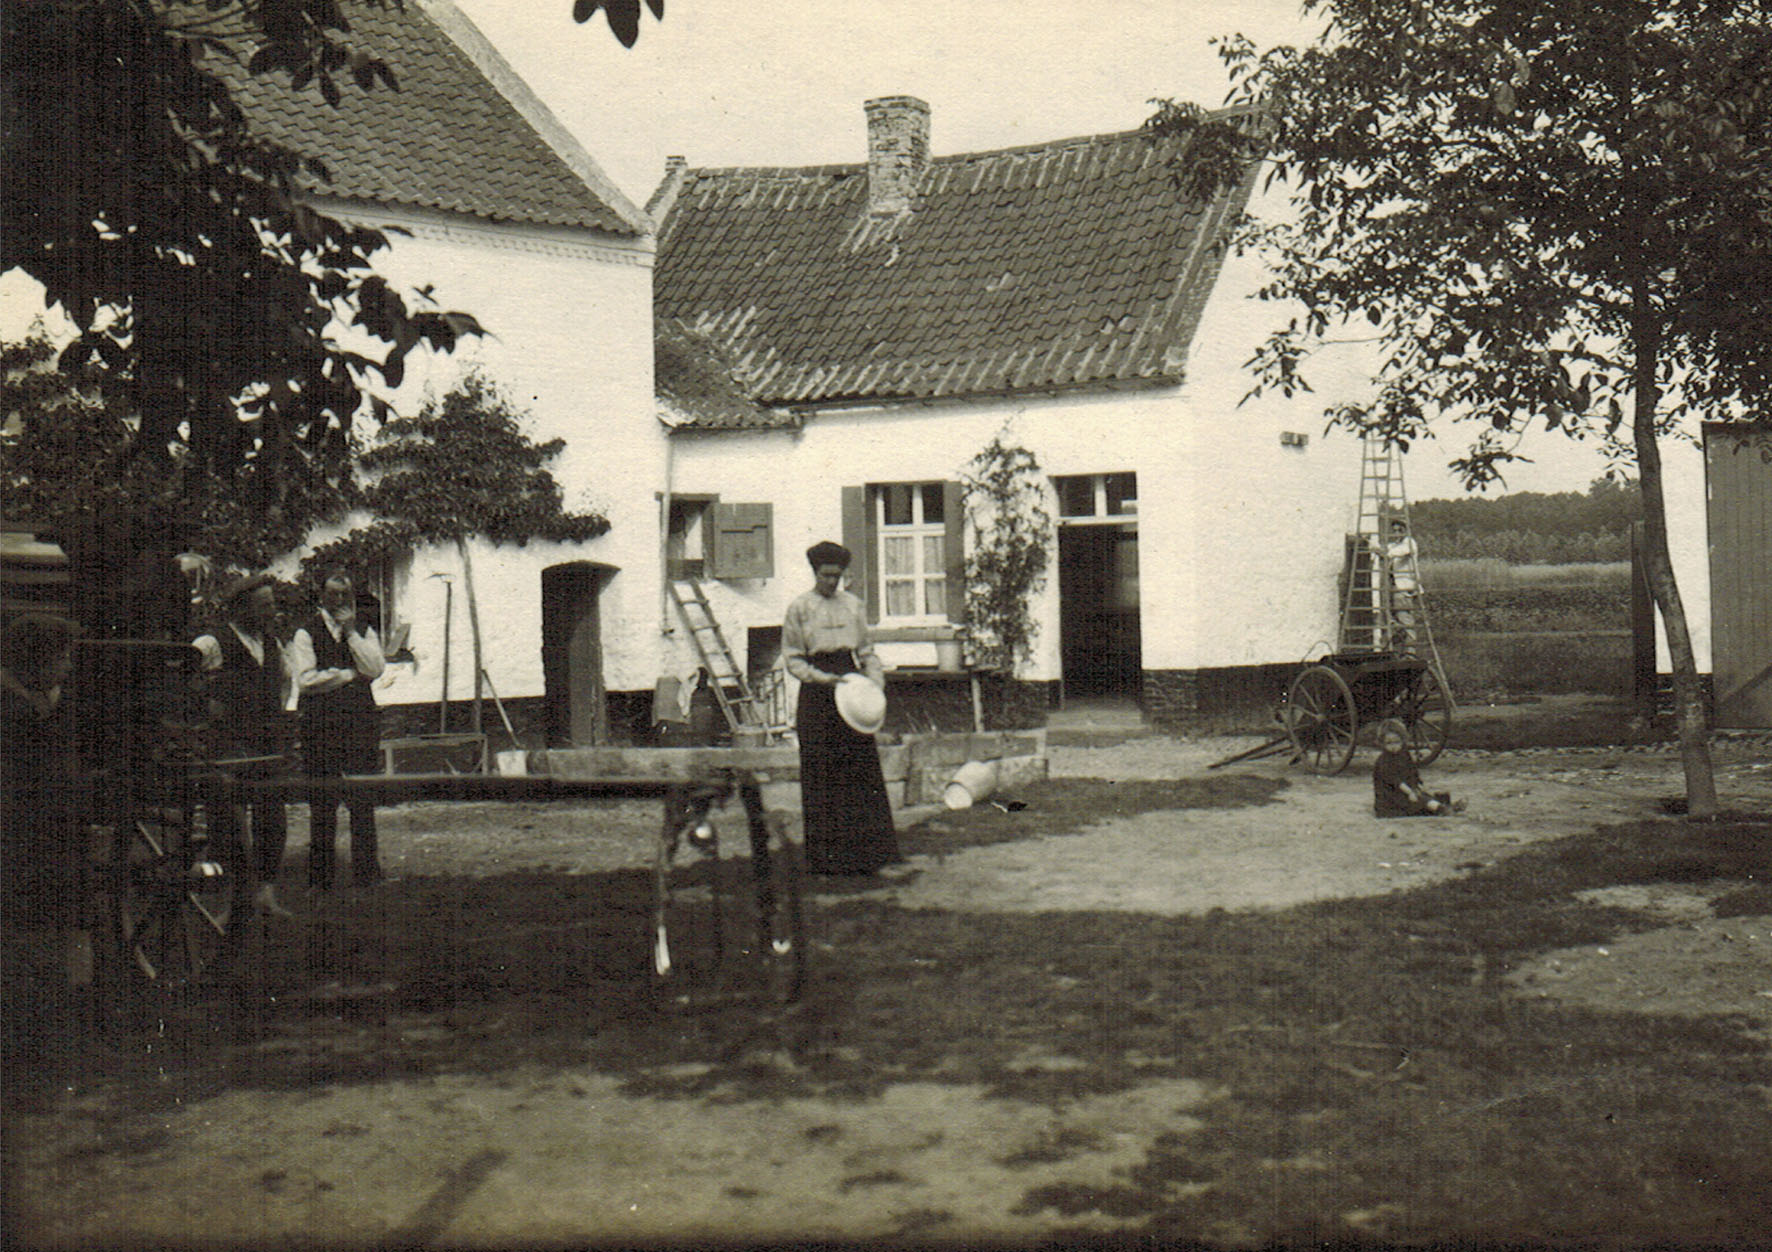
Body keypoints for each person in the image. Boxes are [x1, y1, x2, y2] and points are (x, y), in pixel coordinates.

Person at [782, 540, 900, 876]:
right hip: (818, 694)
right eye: (825, 575)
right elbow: (793, 659)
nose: (831, 582)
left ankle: (869, 857)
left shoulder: (853, 605)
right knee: (822, 774)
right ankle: (826, 860)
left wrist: (874, 683)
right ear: (815, 573)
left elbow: (866, 652)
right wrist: (822, 678)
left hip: (850, 689)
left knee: (859, 772)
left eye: (836, 576)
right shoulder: (800, 608)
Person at [192, 572, 294, 917]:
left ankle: (265, 893)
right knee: (228, 822)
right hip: (229, 746)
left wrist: (276, 712)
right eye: (264, 605)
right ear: (241, 608)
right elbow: (186, 685)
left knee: (272, 817)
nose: (271, 611)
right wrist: (208, 709)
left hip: (266, 744)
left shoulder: (272, 644)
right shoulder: (212, 643)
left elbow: (285, 682)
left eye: (272, 604)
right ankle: (232, 900)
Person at [288, 571, 385, 889]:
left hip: (359, 725)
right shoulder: (306, 633)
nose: (340, 600)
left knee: (362, 799)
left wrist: (351, 633)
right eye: (333, 594)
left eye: (345, 594)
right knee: (323, 801)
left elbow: (375, 668)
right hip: (321, 727)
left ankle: (367, 874)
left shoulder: (363, 630)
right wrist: (347, 675)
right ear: (322, 595)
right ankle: (321, 878)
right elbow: (306, 680)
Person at [1372, 718, 1460, 817]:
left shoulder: (1404, 755)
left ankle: (1444, 805)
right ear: (1382, 743)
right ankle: (1441, 809)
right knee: (1420, 801)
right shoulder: (1384, 761)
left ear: (1403, 740)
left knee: (1424, 796)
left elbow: (1412, 772)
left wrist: (1417, 785)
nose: (1393, 746)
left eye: (1397, 742)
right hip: (1391, 799)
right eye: (1389, 743)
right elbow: (1396, 781)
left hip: (1404, 793)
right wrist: (1410, 792)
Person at [1382, 515, 1421, 652]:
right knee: (1393, 617)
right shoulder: (1395, 544)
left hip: (1405, 586)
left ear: (1405, 530)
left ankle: (1410, 652)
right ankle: (1400, 648)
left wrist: (1386, 553)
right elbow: (1385, 549)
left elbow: (1398, 552)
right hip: (1394, 586)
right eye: (1394, 530)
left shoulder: (1409, 543)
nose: (1397, 533)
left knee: (1404, 617)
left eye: (1400, 530)